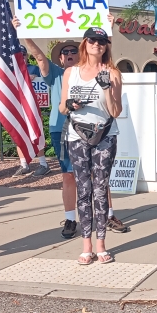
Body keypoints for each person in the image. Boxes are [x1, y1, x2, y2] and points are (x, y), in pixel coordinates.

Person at [20, 18, 130, 238]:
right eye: (65, 52)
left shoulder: (96, 69)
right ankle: (71, 219)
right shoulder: (57, 73)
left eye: (72, 50)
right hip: (64, 130)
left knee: (99, 176)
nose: (69, 54)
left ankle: (107, 215)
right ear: (60, 57)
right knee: (70, 176)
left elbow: (105, 60)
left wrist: (110, 31)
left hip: (98, 129)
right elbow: (39, 56)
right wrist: (24, 32)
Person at [59, 27, 123, 264]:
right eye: (93, 40)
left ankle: (101, 243)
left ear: (106, 46)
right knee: (83, 189)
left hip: (105, 134)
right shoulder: (71, 73)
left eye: (102, 41)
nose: (97, 44)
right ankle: (86, 244)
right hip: (77, 135)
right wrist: (69, 104)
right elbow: (61, 108)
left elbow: (116, 111)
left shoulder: (113, 73)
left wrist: (106, 88)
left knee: (100, 188)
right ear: (85, 43)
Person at [13, 59, 51, 177]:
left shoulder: (34, 68)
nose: (22, 57)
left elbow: (45, 81)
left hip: (32, 107)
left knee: (36, 133)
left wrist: (34, 77)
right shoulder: (11, 68)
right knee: (18, 135)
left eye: (23, 54)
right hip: (17, 106)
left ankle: (43, 164)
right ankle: (24, 165)